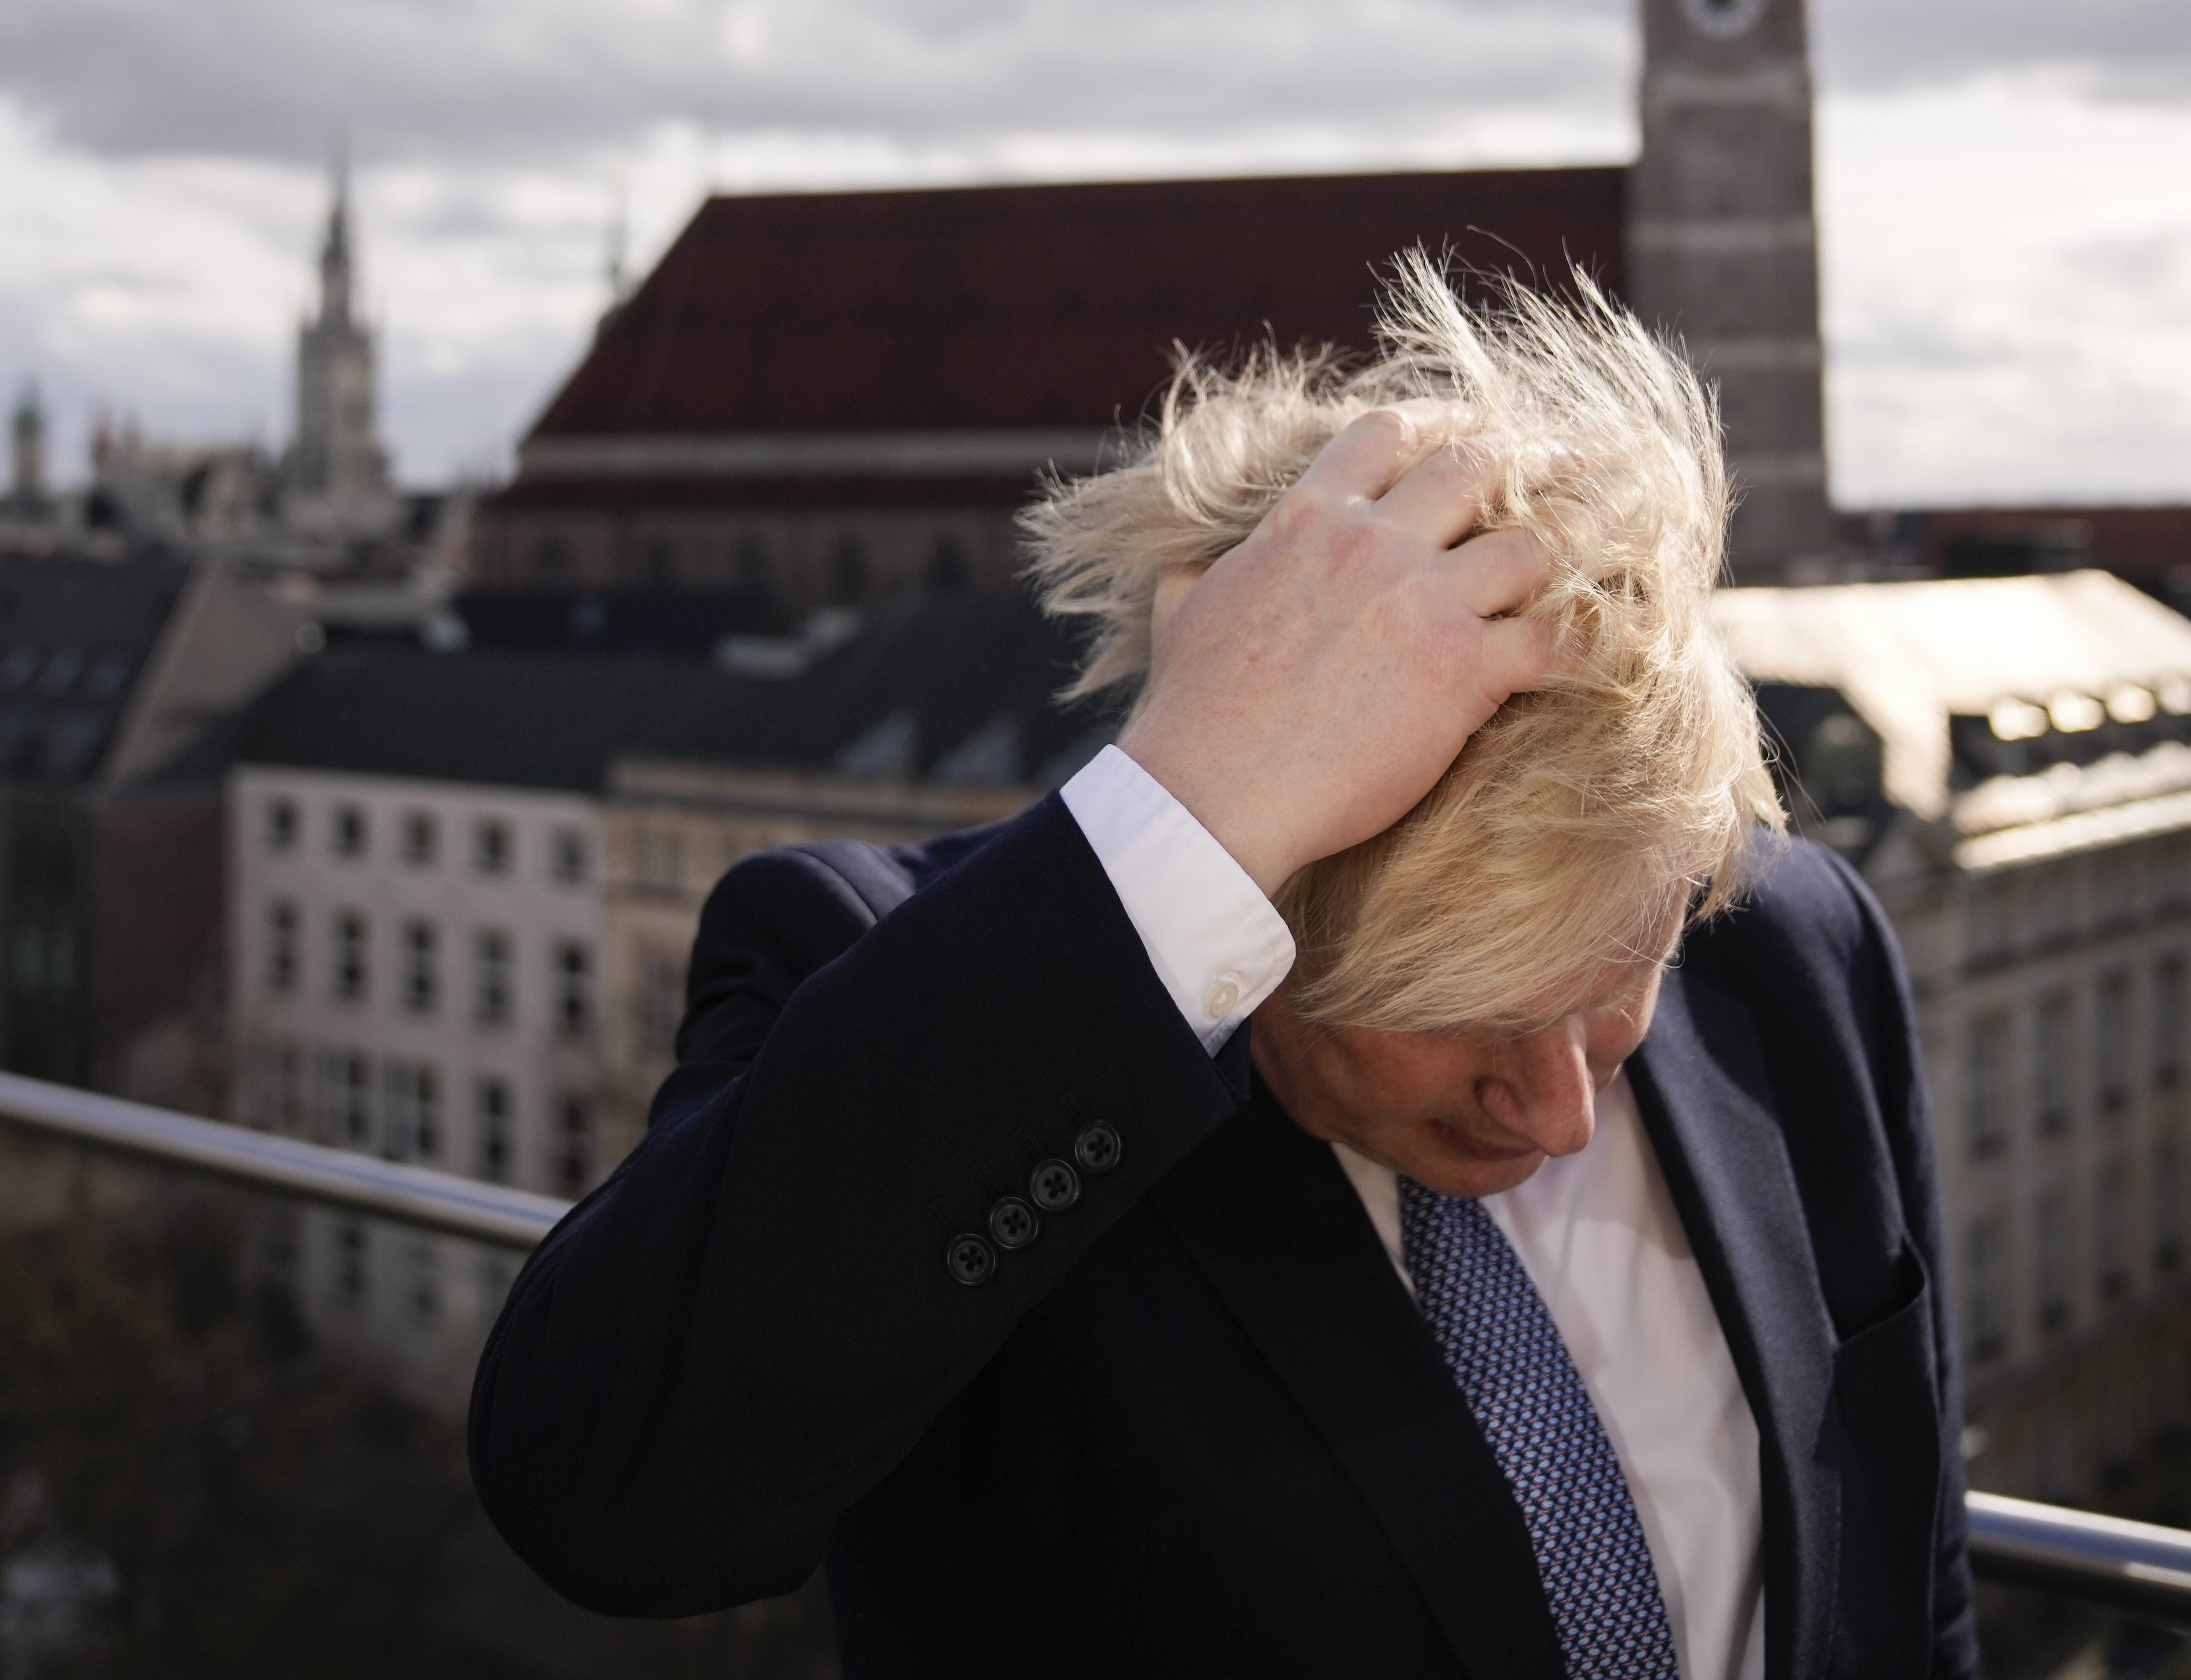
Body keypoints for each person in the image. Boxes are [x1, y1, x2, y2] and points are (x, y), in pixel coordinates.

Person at [469, 259, 1978, 1680]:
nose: (1565, 1109)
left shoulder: (1792, 952)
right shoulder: (910, 986)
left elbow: (1907, 1591)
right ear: (1260, 892)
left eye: (1613, 981)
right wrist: (1190, 810)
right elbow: (609, 1493)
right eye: (1461, 1018)